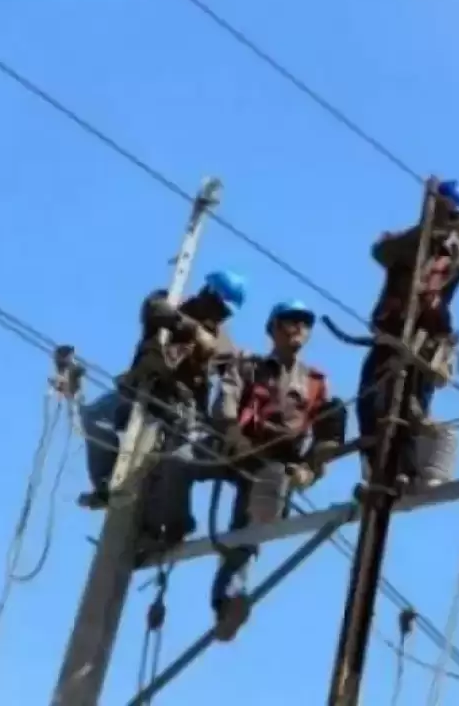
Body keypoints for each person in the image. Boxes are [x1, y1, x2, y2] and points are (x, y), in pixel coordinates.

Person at [357, 178, 459, 487]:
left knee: (411, 406)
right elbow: (380, 251)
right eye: (440, 211)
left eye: (451, 214)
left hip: (426, 341)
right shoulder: (407, 243)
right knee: (371, 402)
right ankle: (376, 469)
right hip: (390, 336)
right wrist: (424, 233)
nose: (445, 219)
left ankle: (404, 472)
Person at [202, 299, 346, 640]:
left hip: (278, 464)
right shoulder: (249, 367)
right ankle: (165, 523)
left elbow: (326, 438)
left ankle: (228, 601)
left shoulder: (315, 383)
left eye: (304, 323)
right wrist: (235, 439)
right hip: (239, 449)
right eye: (290, 321)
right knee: (176, 462)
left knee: (250, 522)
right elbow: (225, 406)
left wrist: (309, 471)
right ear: (273, 328)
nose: (298, 328)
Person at [77, 269, 247, 520]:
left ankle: (167, 521)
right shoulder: (172, 301)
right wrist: (192, 330)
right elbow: (154, 308)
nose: (219, 316)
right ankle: (106, 482)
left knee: (171, 462)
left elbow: (234, 373)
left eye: (225, 313)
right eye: (218, 307)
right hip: (139, 390)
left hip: (176, 406)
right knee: (95, 416)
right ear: (207, 293)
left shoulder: (222, 342)